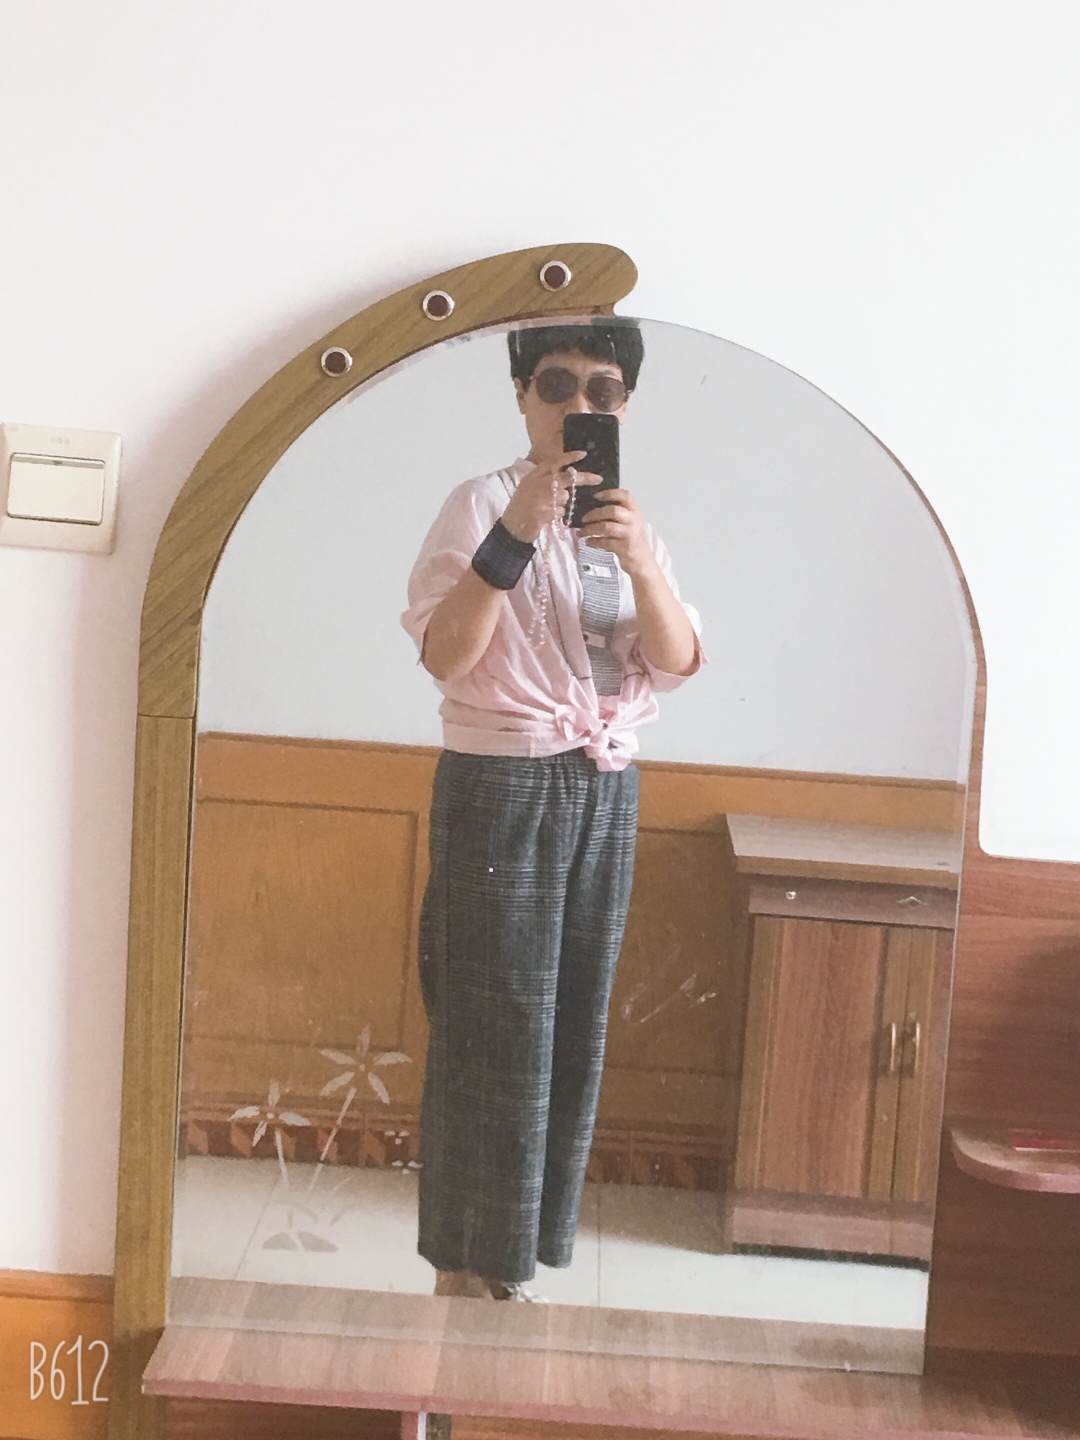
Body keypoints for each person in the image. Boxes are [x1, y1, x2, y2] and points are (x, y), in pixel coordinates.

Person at [401, 320, 703, 1301]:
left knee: (570, 1027)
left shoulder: (628, 522)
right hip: (502, 780)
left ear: (624, 406)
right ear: (523, 395)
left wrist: (644, 563)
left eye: (602, 390)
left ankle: (518, 1265)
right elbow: (446, 656)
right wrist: (515, 535)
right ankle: (465, 1271)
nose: (579, 404)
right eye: (557, 383)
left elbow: (677, 659)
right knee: (490, 1027)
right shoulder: (480, 503)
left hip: (605, 784)